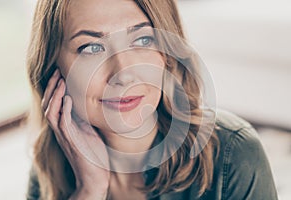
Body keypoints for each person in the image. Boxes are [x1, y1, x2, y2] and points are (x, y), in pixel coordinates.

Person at [26, 0, 278, 199]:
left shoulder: (234, 154)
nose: (124, 75)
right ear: (53, 69)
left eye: (142, 39)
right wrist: (88, 191)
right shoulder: (50, 163)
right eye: (92, 47)